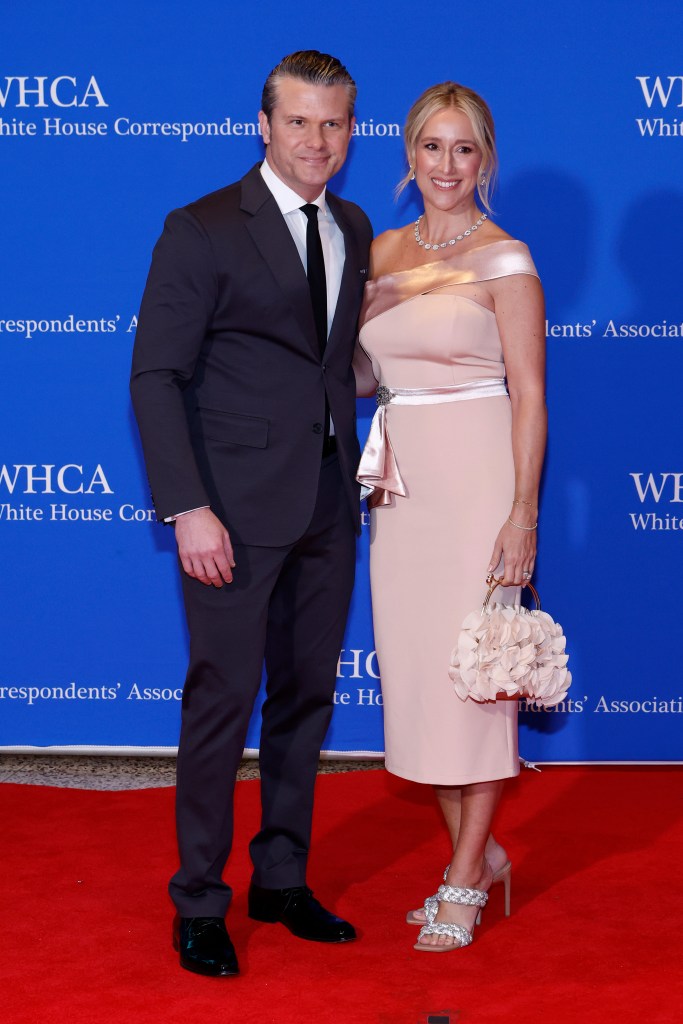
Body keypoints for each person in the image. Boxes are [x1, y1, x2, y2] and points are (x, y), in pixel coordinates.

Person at [130, 50, 372, 977]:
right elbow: (156, 376)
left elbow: (332, 363)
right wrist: (188, 507)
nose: (317, 141)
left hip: (325, 502)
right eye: (300, 121)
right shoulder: (199, 230)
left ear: (353, 131)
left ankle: (280, 878)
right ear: (263, 125)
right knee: (222, 704)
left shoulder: (350, 224)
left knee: (306, 699)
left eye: (335, 123)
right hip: (228, 511)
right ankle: (198, 900)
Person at [354, 81, 546, 952]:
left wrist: (521, 515)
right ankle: (487, 852)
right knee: (425, 685)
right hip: (401, 490)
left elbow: (530, 398)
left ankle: (464, 875)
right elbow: (361, 378)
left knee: (477, 683)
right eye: (431, 147)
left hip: (476, 484)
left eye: (463, 149)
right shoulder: (383, 250)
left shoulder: (506, 259)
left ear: (485, 160)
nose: (446, 165)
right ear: (408, 154)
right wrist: (370, 310)